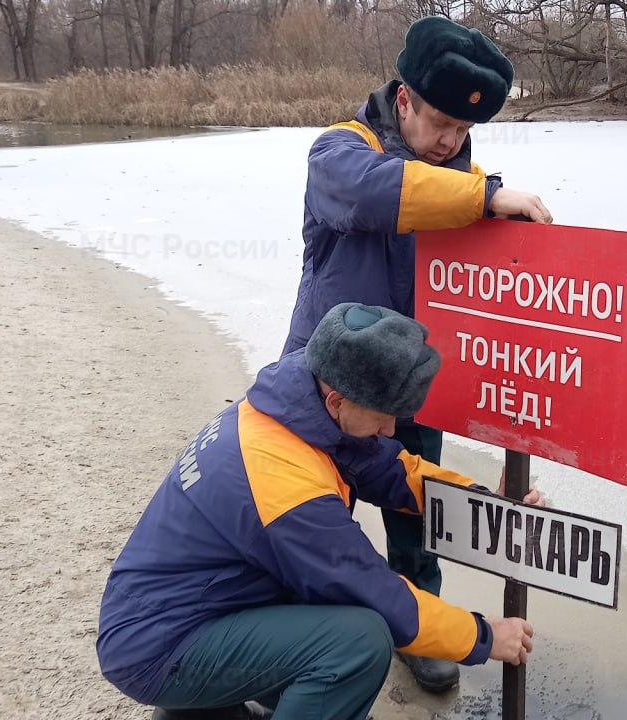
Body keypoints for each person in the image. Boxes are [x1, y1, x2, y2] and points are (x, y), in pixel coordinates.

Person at [97, 302, 540, 720]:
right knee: (358, 644)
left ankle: (201, 711)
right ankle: (192, 696)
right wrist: (482, 637)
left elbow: (389, 468)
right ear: (337, 402)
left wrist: (482, 499)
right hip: (159, 647)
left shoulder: (294, 407)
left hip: (182, 610)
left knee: (319, 602)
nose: (390, 430)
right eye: (384, 417)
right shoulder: (285, 480)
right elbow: (374, 591)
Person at [281, 15, 553, 693]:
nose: (450, 142)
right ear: (403, 99)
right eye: (439, 124)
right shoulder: (339, 152)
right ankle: (296, 635)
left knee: (415, 510)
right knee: (312, 519)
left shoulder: (468, 180)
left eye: (464, 133)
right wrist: (484, 196)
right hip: (328, 386)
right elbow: (379, 192)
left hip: (414, 386)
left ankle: (417, 624)